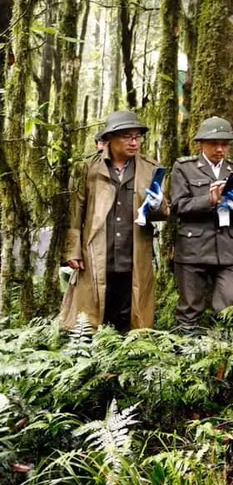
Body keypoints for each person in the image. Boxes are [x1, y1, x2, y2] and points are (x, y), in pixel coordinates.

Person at [61, 111, 168, 332]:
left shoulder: (150, 168)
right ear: (110, 138)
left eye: (138, 137)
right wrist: (72, 250)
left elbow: (163, 212)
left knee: (132, 308)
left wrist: (158, 204)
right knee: (95, 307)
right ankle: (92, 353)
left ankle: (127, 357)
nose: (134, 142)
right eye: (127, 136)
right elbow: (74, 211)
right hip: (98, 251)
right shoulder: (88, 168)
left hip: (134, 250)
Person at [169, 117, 233, 331]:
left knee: (229, 306)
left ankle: (220, 354)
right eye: (214, 143)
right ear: (201, 143)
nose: (220, 149)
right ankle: (187, 355)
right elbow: (178, 206)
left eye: (225, 144)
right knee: (190, 309)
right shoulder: (185, 168)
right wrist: (209, 200)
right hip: (194, 248)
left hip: (227, 250)